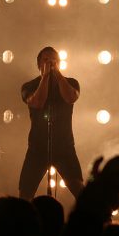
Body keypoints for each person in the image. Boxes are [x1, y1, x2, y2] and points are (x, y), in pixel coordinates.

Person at [19, 46, 84, 200]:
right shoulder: (29, 86)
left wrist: (57, 75)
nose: (51, 62)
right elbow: (37, 102)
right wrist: (46, 77)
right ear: (39, 64)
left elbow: (70, 98)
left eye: (54, 59)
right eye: (46, 59)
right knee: (25, 193)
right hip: (37, 146)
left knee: (80, 191)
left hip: (64, 146)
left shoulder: (71, 82)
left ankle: (98, 220)